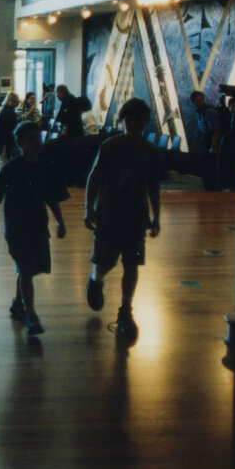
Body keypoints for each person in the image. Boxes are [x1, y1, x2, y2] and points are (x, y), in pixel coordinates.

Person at [83, 97, 166, 342]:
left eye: (138, 119)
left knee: (132, 264)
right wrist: (89, 209)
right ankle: (95, 280)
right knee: (104, 262)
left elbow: (154, 186)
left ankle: (125, 310)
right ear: (123, 120)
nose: (133, 124)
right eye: (129, 119)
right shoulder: (110, 146)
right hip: (108, 213)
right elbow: (94, 178)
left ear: (146, 122)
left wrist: (156, 216)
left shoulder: (151, 151)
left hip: (136, 216)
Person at [0, 121, 68, 336]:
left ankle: (18, 303)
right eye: (32, 138)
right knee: (26, 269)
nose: (37, 142)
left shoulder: (48, 167)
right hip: (17, 228)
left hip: (37, 226)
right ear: (20, 142)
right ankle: (31, 315)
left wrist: (59, 221)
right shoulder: (12, 168)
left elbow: (52, 198)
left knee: (28, 269)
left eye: (38, 137)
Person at [188, 90, 220, 190]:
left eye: (201, 99)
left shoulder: (209, 111)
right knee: (205, 168)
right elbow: (200, 131)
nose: (200, 102)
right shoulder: (199, 113)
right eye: (197, 101)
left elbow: (215, 130)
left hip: (210, 142)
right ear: (194, 103)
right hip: (205, 142)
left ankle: (212, 189)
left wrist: (214, 147)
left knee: (210, 168)